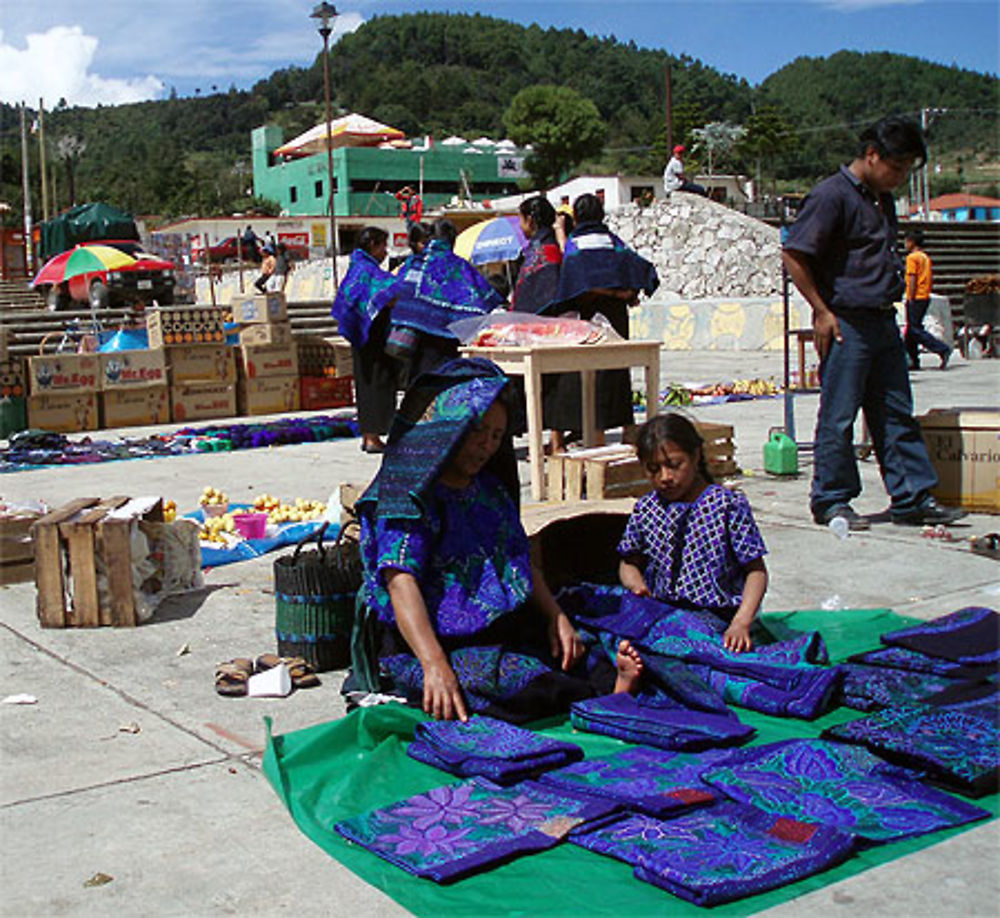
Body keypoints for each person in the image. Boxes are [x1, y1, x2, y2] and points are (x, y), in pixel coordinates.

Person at [356, 358, 637, 722]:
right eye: (478, 431)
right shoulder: (407, 498)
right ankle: (595, 700)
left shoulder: (490, 493)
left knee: (584, 650)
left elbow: (519, 562)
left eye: (496, 436)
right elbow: (400, 582)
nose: (487, 446)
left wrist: (556, 617)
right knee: (513, 684)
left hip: (500, 626)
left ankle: (609, 690)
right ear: (448, 427)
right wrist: (434, 664)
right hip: (429, 643)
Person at [782, 115, 966, 530]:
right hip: (848, 322)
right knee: (840, 416)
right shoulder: (832, 196)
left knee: (896, 412)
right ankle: (831, 499)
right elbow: (795, 254)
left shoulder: (880, 199)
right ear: (871, 155)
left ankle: (911, 497)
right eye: (896, 168)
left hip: (883, 321)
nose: (899, 178)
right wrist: (822, 311)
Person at [618, 413, 768, 653]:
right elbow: (628, 563)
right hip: (662, 612)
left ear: (696, 455)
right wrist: (637, 586)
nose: (665, 477)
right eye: (654, 469)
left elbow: (756, 572)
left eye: (675, 465)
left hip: (718, 619)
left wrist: (741, 622)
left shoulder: (727, 505)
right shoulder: (647, 508)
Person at [541, 193, 659, 452]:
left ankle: (567, 441)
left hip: (584, 320)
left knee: (572, 375)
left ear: (577, 217)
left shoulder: (576, 244)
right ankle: (626, 433)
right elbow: (639, 267)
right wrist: (625, 293)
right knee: (616, 373)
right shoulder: (613, 242)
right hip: (615, 318)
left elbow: (575, 281)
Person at [372, 218, 504, 383]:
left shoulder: (415, 264)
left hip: (417, 342)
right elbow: (484, 299)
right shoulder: (460, 267)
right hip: (449, 344)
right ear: (452, 240)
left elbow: (398, 292)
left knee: (421, 387)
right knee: (445, 386)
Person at [331, 227, 400, 454]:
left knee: (365, 383)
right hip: (372, 337)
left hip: (363, 335)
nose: (385, 251)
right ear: (372, 244)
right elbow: (388, 293)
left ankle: (369, 434)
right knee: (377, 384)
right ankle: (373, 436)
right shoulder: (366, 270)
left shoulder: (356, 267)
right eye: (382, 246)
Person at [904, 230, 950, 370]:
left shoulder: (912, 258)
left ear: (911, 242)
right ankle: (913, 360)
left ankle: (941, 348)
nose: (905, 244)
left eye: (906, 241)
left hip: (916, 296)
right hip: (924, 295)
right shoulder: (925, 257)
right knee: (911, 331)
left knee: (914, 329)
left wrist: (910, 297)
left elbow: (912, 278)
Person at [511, 195, 562, 313]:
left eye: (521, 220)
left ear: (529, 221)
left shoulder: (540, 253)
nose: (520, 225)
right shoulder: (554, 247)